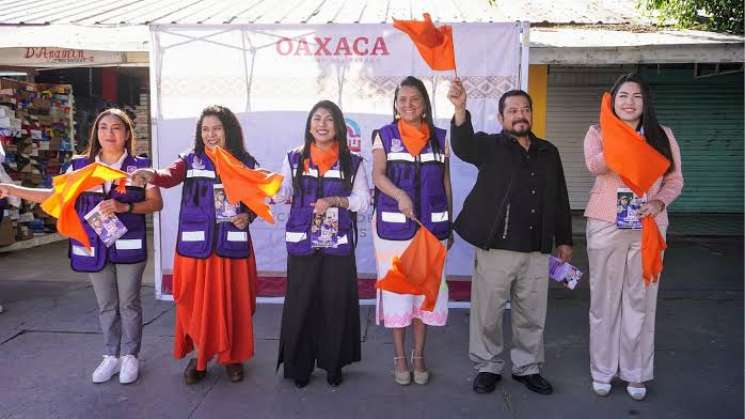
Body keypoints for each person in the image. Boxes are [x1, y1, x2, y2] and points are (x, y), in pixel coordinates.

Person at [0, 108, 163, 384]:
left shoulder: (139, 166)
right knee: (106, 304)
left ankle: (130, 356)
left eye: (116, 128)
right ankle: (111, 356)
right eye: (103, 128)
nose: (109, 133)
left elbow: (156, 203)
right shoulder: (78, 167)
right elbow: (53, 196)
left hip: (128, 245)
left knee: (129, 303)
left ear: (126, 134)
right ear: (95, 133)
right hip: (92, 245)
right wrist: (12, 189)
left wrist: (126, 205)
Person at [448, 81, 573, 395]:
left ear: (531, 114)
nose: (520, 115)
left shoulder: (548, 152)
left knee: (531, 314)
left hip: (537, 249)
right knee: (488, 313)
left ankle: (526, 367)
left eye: (525, 109)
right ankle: (488, 365)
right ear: (502, 117)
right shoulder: (490, 146)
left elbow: (559, 197)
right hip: (498, 248)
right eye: (513, 110)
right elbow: (463, 146)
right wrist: (460, 109)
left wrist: (565, 240)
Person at [132, 105, 259, 384]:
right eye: (205, 129)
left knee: (234, 303)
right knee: (195, 305)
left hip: (231, 249)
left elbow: (257, 200)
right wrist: (150, 174)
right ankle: (200, 357)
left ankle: (232, 357)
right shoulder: (189, 160)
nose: (210, 135)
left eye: (216, 128)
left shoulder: (246, 163)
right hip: (196, 250)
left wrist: (246, 216)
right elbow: (167, 175)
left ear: (229, 131)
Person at [583, 73, 683, 400]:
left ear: (645, 102)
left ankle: (636, 372)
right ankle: (603, 371)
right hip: (606, 224)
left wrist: (658, 202)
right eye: (623, 95)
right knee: (604, 301)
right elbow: (596, 166)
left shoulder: (662, 135)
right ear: (613, 100)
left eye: (636, 96)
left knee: (640, 299)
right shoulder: (598, 132)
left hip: (649, 225)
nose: (629, 102)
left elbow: (675, 180)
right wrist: (619, 139)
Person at [275, 100, 370, 388]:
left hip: (337, 245)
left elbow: (363, 203)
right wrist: (270, 187)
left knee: (335, 304)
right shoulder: (294, 158)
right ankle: (299, 366)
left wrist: (336, 201)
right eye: (317, 118)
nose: (322, 124)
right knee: (301, 304)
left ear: (338, 126)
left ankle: (333, 364)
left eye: (329, 119)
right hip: (303, 243)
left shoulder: (353, 162)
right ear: (309, 125)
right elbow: (283, 191)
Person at [371, 76, 453, 386]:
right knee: (397, 293)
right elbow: (378, 175)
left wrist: (451, 225)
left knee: (424, 293)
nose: (408, 104)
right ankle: (399, 357)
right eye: (402, 99)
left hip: (432, 229)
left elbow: (445, 183)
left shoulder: (440, 137)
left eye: (414, 99)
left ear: (424, 105)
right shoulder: (384, 136)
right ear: (395, 104)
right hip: (393, 232)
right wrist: (400, 195)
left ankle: (419, 355)